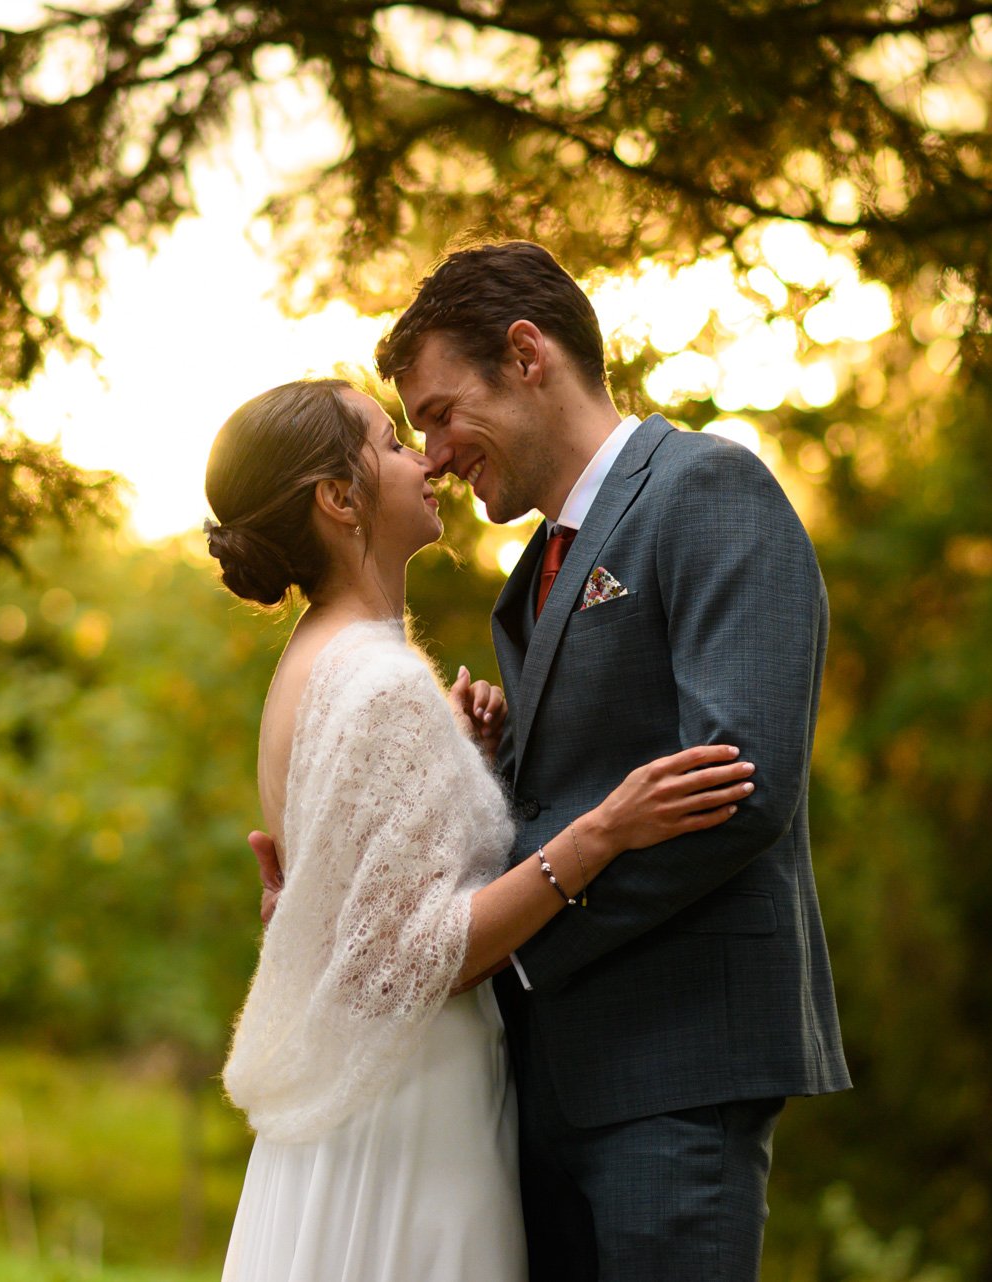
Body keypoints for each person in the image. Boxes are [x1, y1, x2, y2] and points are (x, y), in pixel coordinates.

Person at [256, 241, 851, 1280]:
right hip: (537, 1085)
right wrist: (469, 782)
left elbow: (739, 785)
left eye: (438, 412)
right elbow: (558, 798)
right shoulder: (530, 576)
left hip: (675, 1067)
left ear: (526, 355)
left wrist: (508, 956)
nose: (433, 454)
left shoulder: (710, 488)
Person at [203, 377, 759, 1282]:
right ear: (339, 499)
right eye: (389, 442)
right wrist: (603, 833)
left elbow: (362, 896)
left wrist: (459, 765)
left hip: (378, 1098)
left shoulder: (320, 659)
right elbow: (413, 959)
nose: (425, 460)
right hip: (413, 1120)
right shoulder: (378, 683)